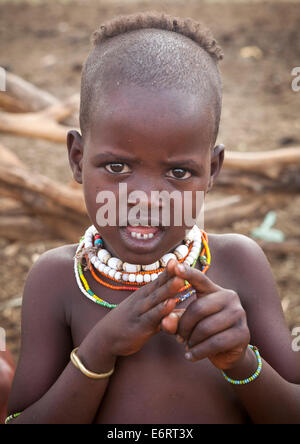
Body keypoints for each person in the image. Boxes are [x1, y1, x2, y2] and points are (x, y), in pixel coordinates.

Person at [6, 12, 300, 424]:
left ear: (212, 170)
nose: (145, 199)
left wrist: (240, 361)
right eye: (116, 167)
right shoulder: (57, 280)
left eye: (178, 173)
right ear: (77, 158)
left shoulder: (240, 264)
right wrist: (97, 351)